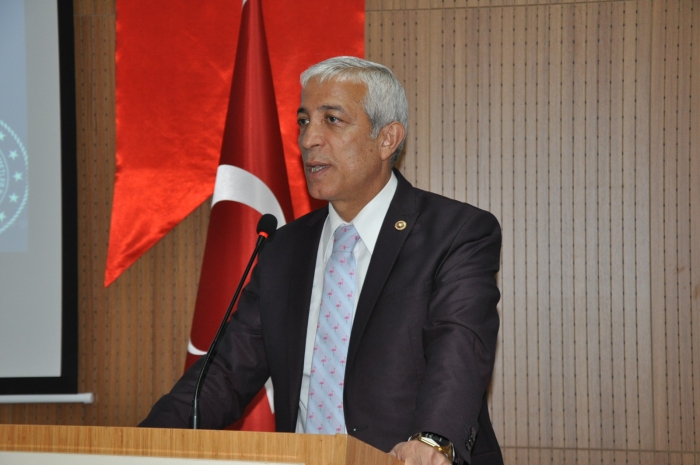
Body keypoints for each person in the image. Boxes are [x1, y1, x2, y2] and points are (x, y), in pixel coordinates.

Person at [140, 56, 503, 465]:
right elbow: (225, 373)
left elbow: (459, 345)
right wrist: (136, 447)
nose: (309, 138)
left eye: (332, 120)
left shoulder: (455, 232)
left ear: (387, 139)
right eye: (303, 121)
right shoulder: (283, 247)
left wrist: (434, 439)